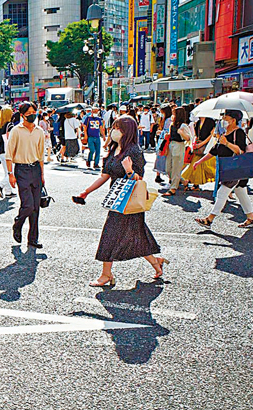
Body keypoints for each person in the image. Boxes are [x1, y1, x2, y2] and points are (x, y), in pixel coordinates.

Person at [74, 116, 168, 286]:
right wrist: (87, 191)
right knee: (136, 236)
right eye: (114, 127)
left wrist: (129, 170)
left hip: (129, 201)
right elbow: (105, 175)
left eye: (119, 128)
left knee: (110, 235)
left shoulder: (134, 151)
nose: (114, 131)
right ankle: (156, 262)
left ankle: (106, 274)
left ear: (127, 131)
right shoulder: (114, 149)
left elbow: (138, 178)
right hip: (117, 200)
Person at [193, 110, 253, 229]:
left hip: (235, 168)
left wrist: (227, 143)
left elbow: (240, 151)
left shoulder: (238, 132)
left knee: (222, 193)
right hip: (228, 168)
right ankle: (251, 218)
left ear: (233, 120)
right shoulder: (224, 133)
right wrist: (199, 162)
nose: (223, 119)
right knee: (240, 191)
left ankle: (209, 219)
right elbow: (214, 150)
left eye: (226, 117)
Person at [7, 102, 46, 249]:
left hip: (35, 169)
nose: (32, 115)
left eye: (33, 112)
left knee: (36, 207)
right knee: (28, 205)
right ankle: (18, 223)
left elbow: (41, 155)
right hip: (21, 170)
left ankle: (33, 239)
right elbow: (9, 154)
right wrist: (11, 174)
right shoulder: (16, 131)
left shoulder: (39, 131)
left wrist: (42, 174)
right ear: (22, 115)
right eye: (28, 113)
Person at [162, 106, 188, 196]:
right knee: (168, 168)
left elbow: (188, 138)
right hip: (171, 145)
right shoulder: (172, 124)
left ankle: (173, 188)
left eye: (174, 113)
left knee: (176, 168)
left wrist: (182, 133)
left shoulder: (183, 125)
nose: (172, 115)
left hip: (179, 145)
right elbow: (170, 135)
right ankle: (183, 181)